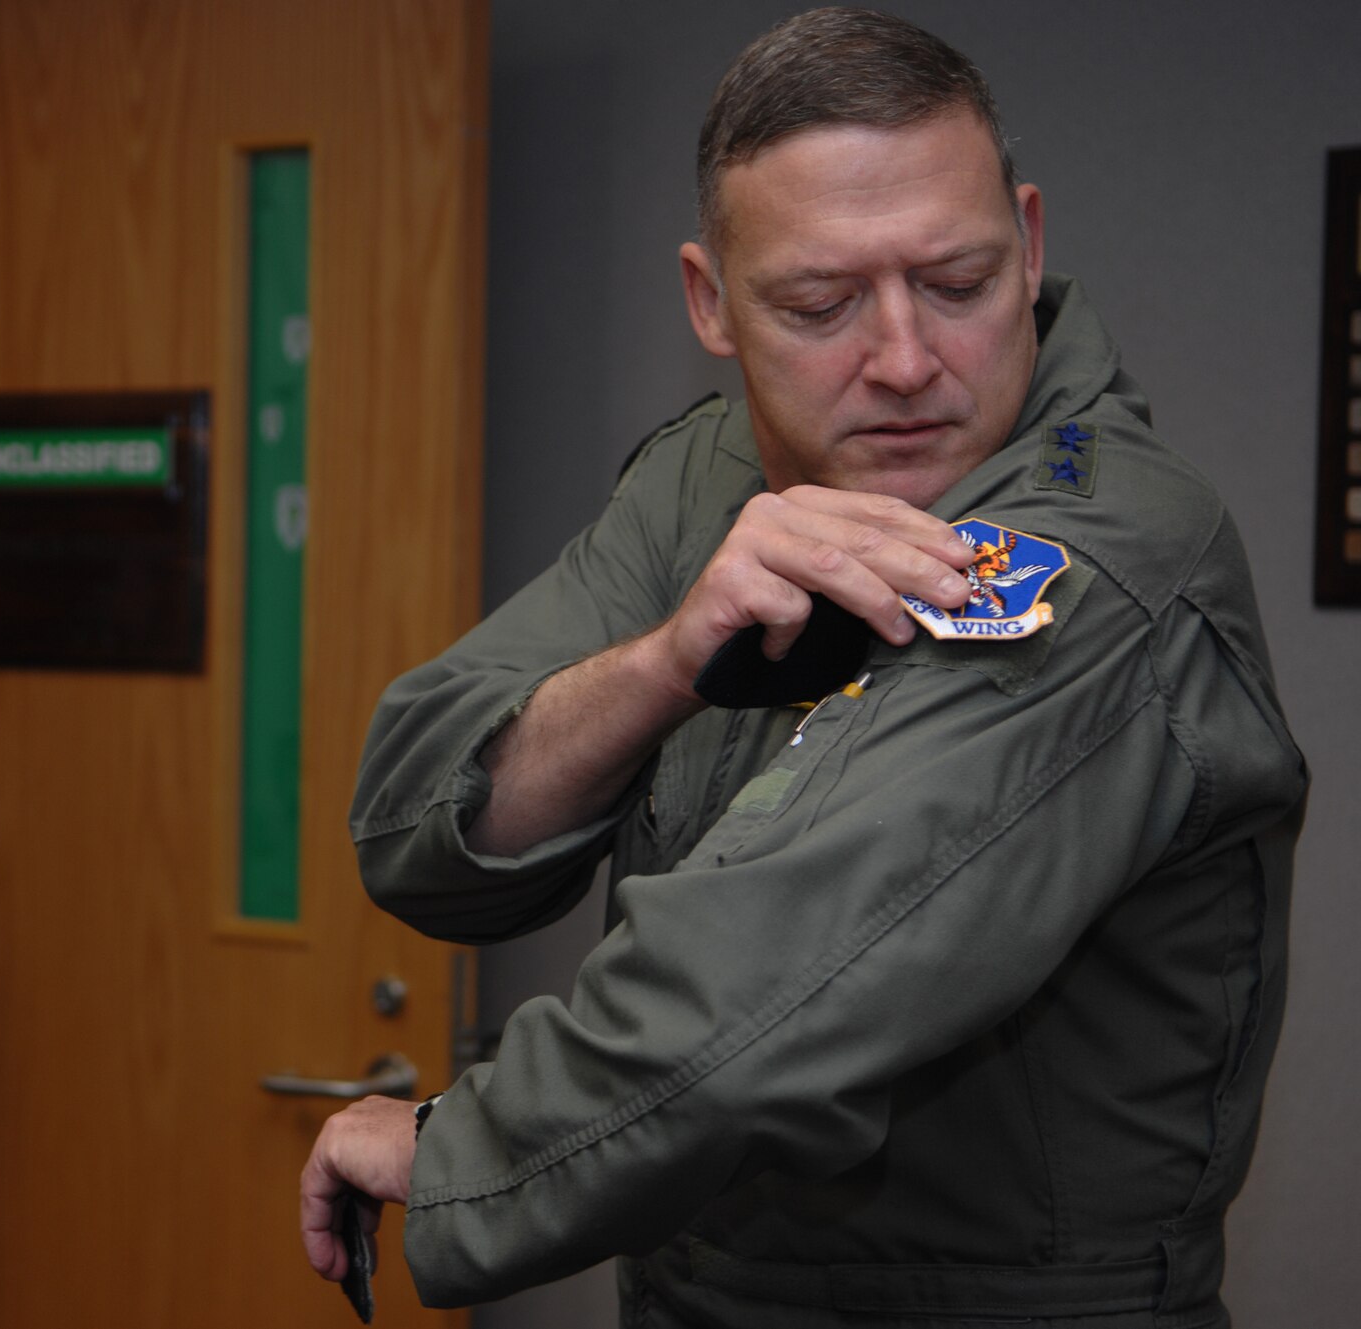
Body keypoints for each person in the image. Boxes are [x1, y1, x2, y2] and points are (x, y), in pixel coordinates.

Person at [300, 10, 1306, 1328]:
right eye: (820, 305)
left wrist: (463, 1151)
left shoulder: (1104, 552)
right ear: (710, 302)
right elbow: (416, 818)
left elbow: (772, 981)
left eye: (956, 282)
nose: (904, 361)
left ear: (1029, 244)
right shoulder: (706, 479)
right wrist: (665, 663)